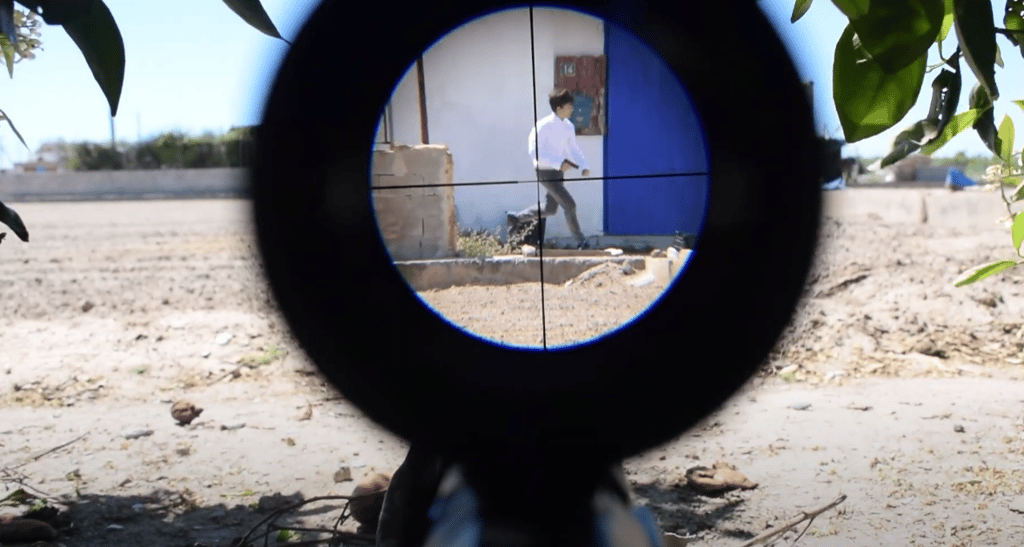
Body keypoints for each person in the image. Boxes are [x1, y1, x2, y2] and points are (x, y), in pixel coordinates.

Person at [507, 89, 592, 250]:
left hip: (558, 173)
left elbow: (574, 148)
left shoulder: (569, 126)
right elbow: (534, 153)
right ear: (559, 108)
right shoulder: (542, 126)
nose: (572, 109)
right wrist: (558, 163)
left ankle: (515, 218)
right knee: (570, 205)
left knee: (550, 209)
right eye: (569, 106)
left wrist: (584, 165)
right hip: (545, 172)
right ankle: (581, 241)